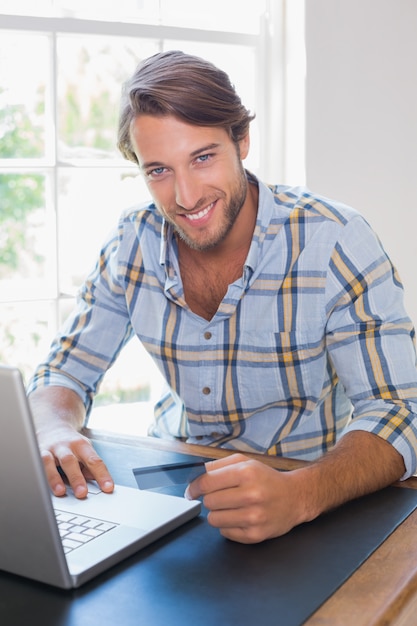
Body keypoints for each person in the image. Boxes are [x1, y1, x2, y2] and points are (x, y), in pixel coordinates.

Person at [28, 50, 417, 544]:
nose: (186, 197)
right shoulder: (133, 240)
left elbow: (398, 411)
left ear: (243, 140)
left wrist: (298, 495)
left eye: (202, 157)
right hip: (174, 482)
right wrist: (51, 428)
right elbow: (65, 371)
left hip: (302, 487)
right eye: (159, 171)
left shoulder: (335, 238)